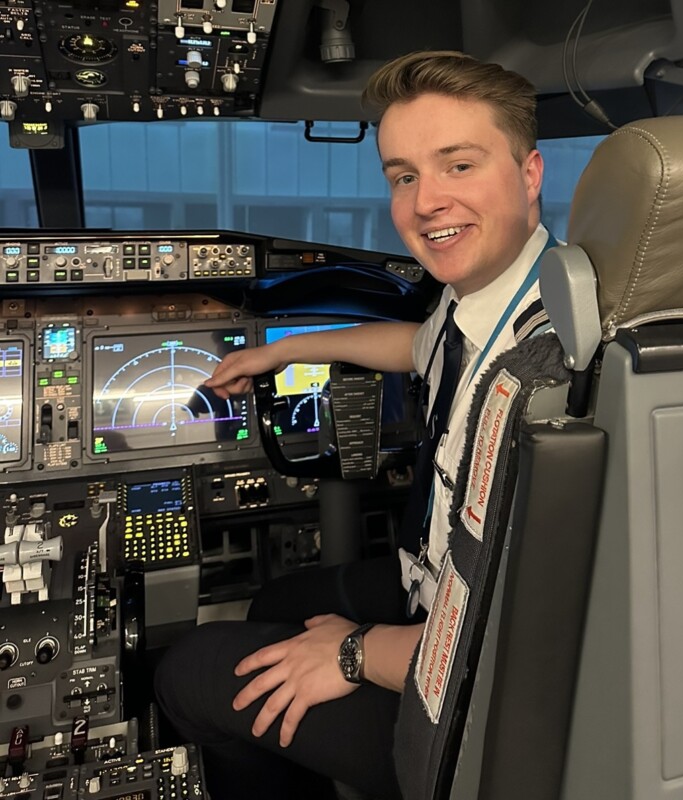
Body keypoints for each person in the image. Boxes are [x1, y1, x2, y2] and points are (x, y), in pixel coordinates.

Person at [155, 49, 552, 799]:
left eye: (458, 166)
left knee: (194, 672)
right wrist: (283, 350)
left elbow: (519, 643)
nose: (425, 201)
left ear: (529, 174)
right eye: (403, 176)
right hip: (437, 591)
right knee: (278, 605)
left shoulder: (542, 376)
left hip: (469, 720)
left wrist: (354, 655)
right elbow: (419, 345)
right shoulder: (496, 298)